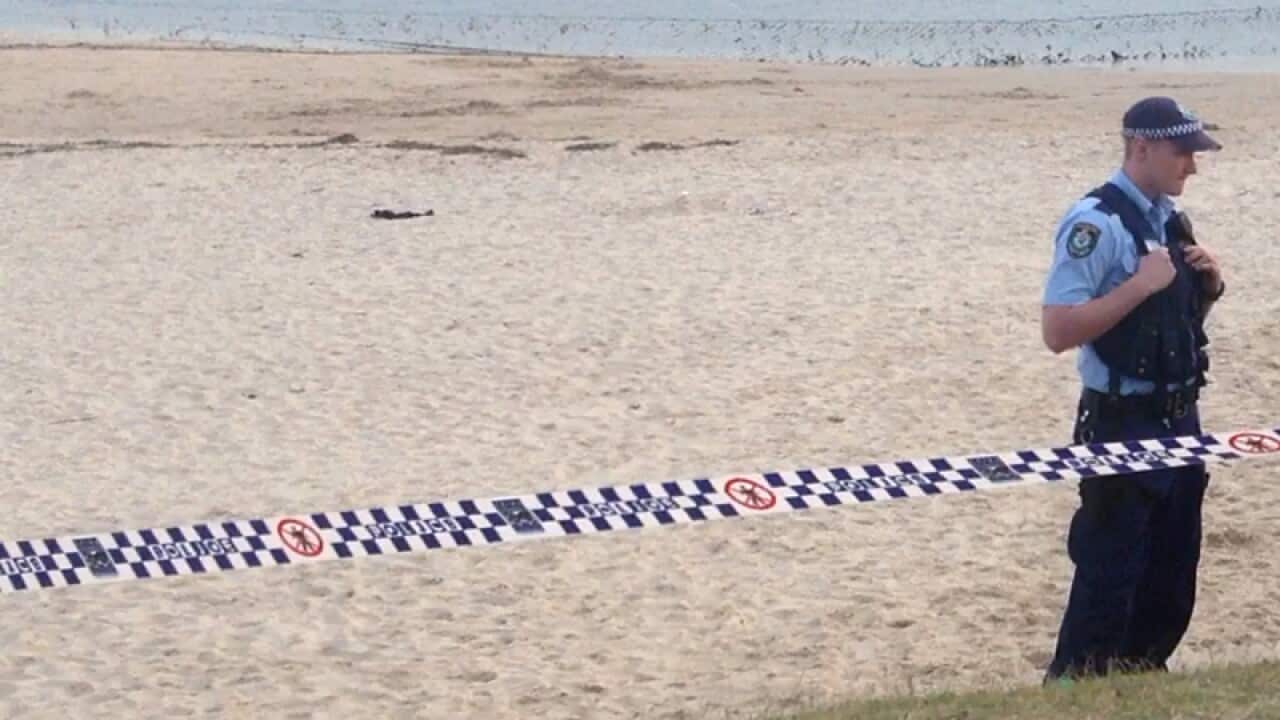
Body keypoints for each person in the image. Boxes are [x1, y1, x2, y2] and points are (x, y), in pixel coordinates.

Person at [1039, 96, 1227, 682]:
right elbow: (1058, 329)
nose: (1191, 167)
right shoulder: (1095, 223)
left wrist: (1210, 285)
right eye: (1182, 153)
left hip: (1180, 421)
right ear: (1140, 148)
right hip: (1122, 423)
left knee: (1171, 578)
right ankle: (1074, 687)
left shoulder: (1169, 220)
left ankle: (1142, 681)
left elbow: (1172, 328)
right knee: (1108, 578)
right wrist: (1140, 287)